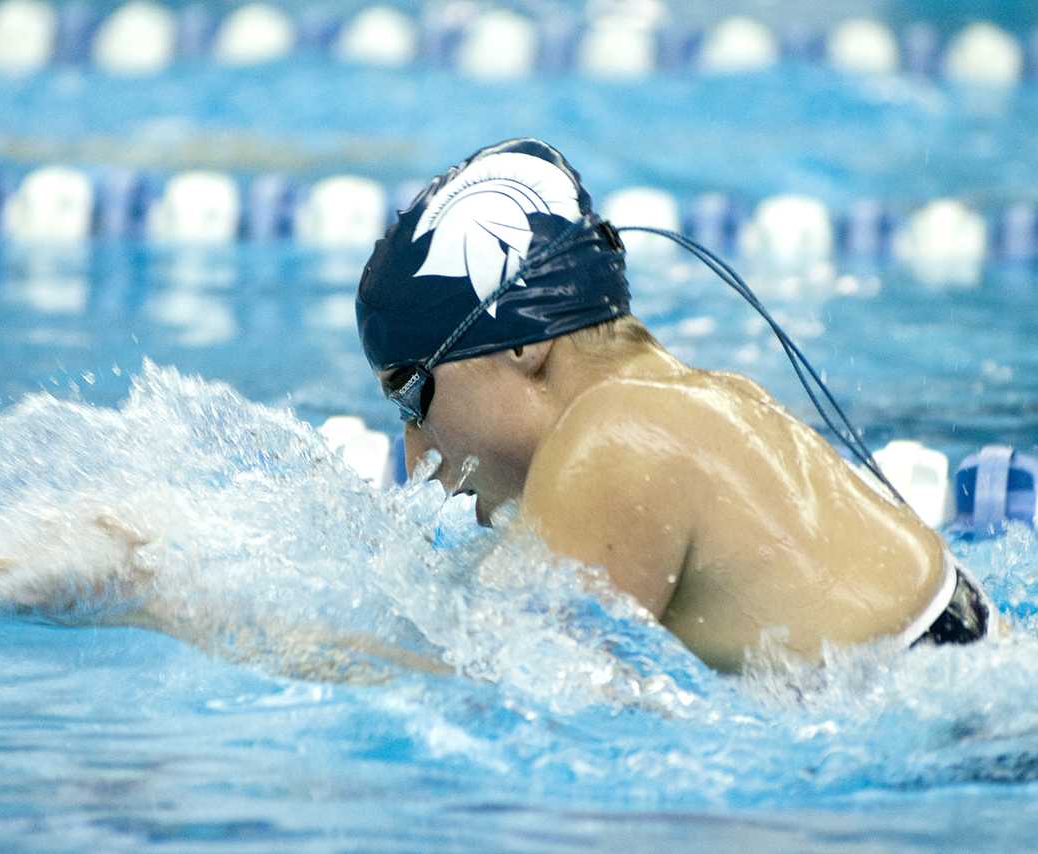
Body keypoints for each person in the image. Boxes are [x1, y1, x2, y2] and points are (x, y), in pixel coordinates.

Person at [356, 138, 1001, 672]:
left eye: (413, 394)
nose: (416, 455)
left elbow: (506, 702)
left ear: (521, 346)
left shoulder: (610, 438)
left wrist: (301, 656)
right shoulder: (699, 404)